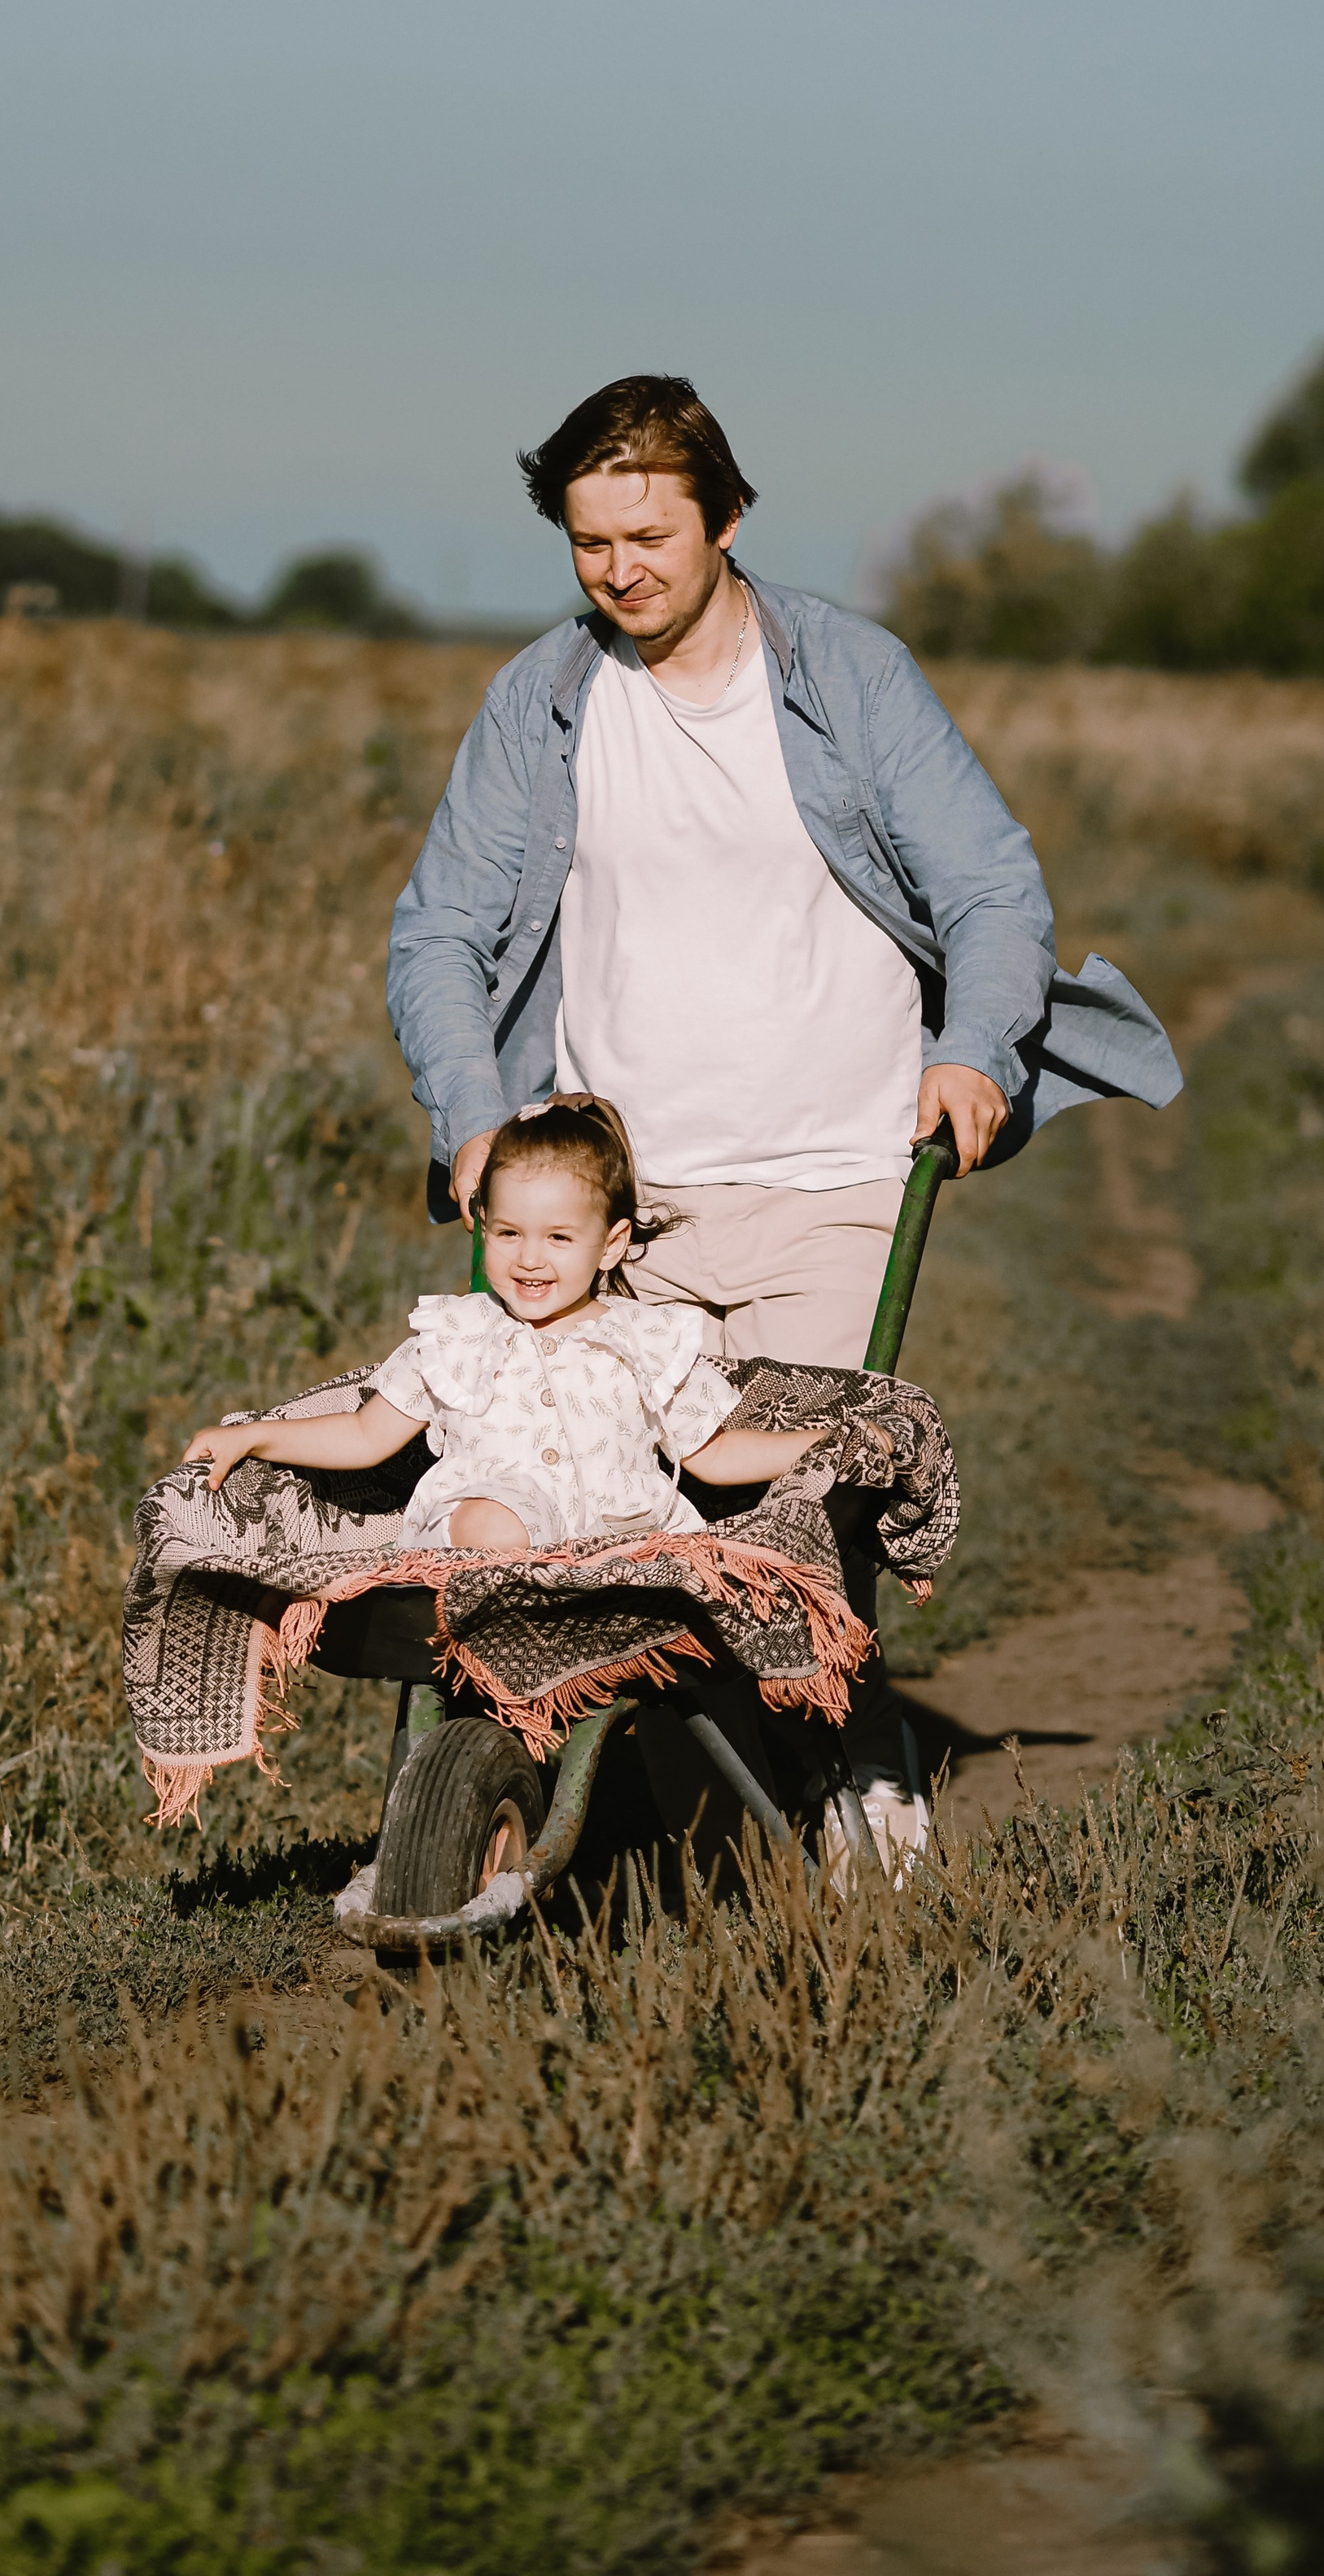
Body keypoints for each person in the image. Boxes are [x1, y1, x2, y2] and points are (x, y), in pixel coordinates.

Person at [385, 374, 1182, 1853]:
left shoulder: (850, 677)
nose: (619, 570)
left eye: (649, 536)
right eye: (587, 542)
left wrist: (975, 1047)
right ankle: (640, 1800)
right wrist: (475, 1110)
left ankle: (848, 1761)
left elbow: (992, 888)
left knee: (794, 1512)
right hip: (632, 1205)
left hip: (833, 1180)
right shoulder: (544, 700)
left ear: (727, 519)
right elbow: (438, 930)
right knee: (600, 1501)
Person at [184, 1096, 850, 1553]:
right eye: (507, 1233)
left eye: (559, 1237)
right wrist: (257, 1436)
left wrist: (824, 1443)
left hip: (622, 1550)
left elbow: (712, 1453)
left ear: (612, 1245)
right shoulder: (460, 1334)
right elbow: (365, 1434)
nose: (530, 1258)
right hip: (488, 1545)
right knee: (498, 1522)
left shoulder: (645, 1339)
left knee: (703, 1572)